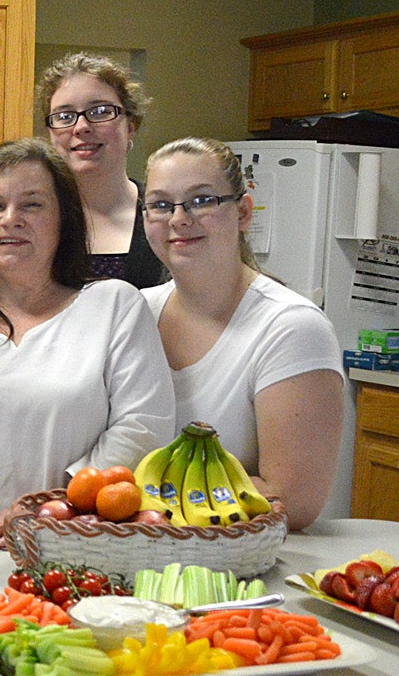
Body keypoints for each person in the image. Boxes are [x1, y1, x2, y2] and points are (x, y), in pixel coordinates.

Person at [0, 138, 174, 549]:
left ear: (64, 221)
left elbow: (142, 428)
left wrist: (40, 517)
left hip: (76, 555)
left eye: (32, 205)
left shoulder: (114, 306)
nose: (10, 219)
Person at [140, 137, 343, 530]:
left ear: (244, 212)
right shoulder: (134, 314)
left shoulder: (292, 327)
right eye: (161, 205)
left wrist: (137, 500)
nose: (179, 219)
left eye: (201, 200)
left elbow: (293, 500)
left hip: (251, 570)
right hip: (133, 556)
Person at [36, 52, 165, 288]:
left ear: (131, 125)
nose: (81, 127)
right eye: (64, 116)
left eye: (99, 112)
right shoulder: (31, 217)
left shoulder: (165, 216)